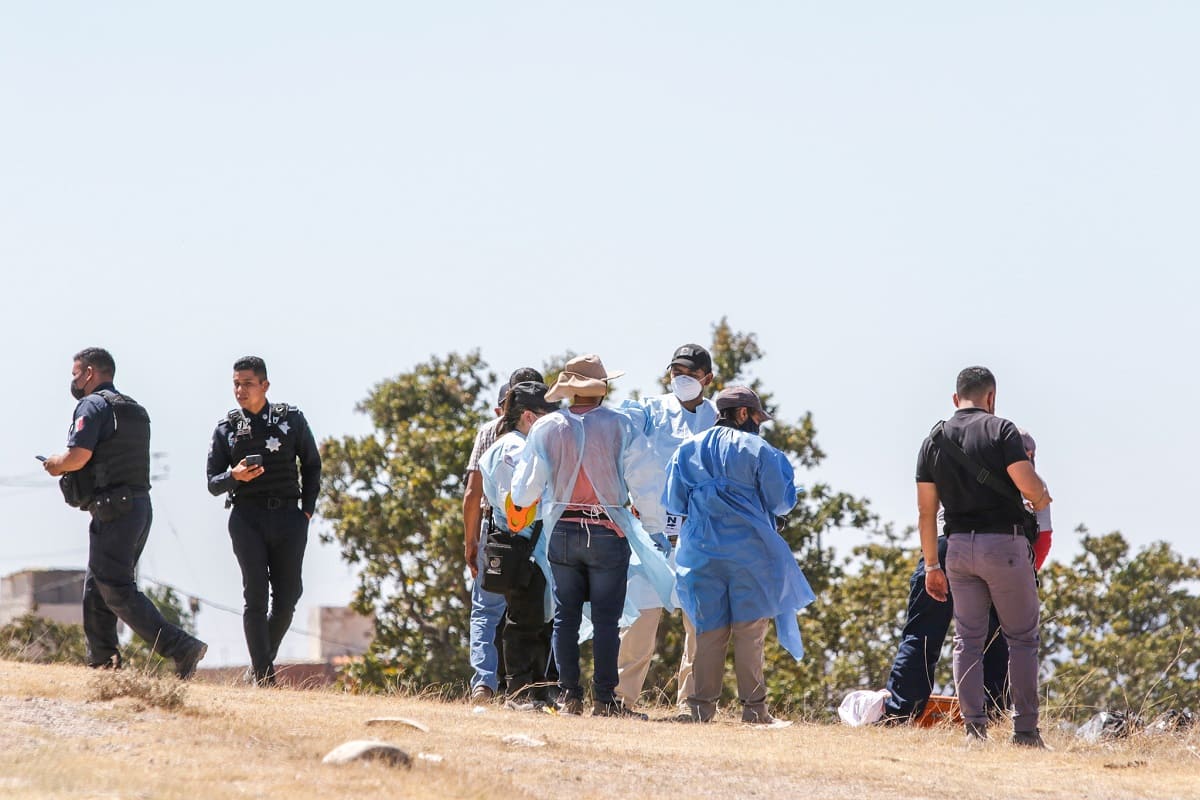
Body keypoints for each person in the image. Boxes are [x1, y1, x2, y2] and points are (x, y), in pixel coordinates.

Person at [509, 354, 674, 719]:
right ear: (602, 389)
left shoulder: (547, 428)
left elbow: (523, 493)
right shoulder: (621, 426)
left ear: (569, 390)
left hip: (563, 530)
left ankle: (569, 695)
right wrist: (652, 526)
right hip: (606, 531)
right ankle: (604, 698)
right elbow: (645, 481)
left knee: (566, 616)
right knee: (606, 619)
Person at [43, 347, 208, 678]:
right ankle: (104, 664)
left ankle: (180, 646)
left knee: (115, 586)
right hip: (137, 507)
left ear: (90, 372)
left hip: (113, 511)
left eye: (75, 374)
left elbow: (77, 456)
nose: (73, 381)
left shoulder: (92, 405)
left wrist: (54, 465)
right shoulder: (133, 409)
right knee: (97, 588)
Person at [916, 367, 1051, 747]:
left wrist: (931, 565)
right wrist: (1040, 497)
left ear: (955, 399)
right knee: (1022, 639)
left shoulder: (934, 439)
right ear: (992, 397)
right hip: (1003, 546)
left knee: (967, 640)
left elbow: (926, 512)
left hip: (957, 548)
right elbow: (1027, 482)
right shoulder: (1002, 430)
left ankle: (974, 731)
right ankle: (1025, 732)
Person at [665, 386, 815, 724]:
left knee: (708, 631)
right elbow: (781, 502)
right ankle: (754, 711)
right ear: (744, 414)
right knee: (749, 632)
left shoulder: (687, 449)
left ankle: (699, 708)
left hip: (700, 552)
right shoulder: (760, 449)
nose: (759, 424)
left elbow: (674, 502)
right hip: (751, 552)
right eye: (758, 417)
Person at [883, 428, 1052, 723]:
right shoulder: (1032, 486)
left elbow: (928, 514)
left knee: (924, 634)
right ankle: (993, 712)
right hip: (1004, 556)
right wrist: (1024, 576)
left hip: (947, 549)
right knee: (997, 640)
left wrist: (932, 565)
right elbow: (1044, 538)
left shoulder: (961, 468)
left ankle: (900, 712)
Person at [206, 356, 321, 686]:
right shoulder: (227, 428)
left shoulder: (291, 420)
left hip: (289, 516)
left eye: (247, 383)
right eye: (236, 384)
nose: (240, 390)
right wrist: (234, 476)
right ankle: (264, 676)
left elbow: (312, 464)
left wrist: (307, 511)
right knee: (254, 596)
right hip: (247, 518)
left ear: (265, 385)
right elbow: (213, 483)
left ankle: (259, 663)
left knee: (288, 597)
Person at [615, 343, 717, 711]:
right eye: (676, 372)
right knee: (639, 622)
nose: (682, 379)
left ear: (708, 378)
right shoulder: (649, 409)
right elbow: (621, 446)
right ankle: (621, 700)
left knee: (700, 627)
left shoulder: (718, 419)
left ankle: (692, 704)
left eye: (690, 373)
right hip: (650, 536)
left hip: (698, 536)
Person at [462, 368, 544, 703]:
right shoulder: (543, 433)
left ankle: (483, 682)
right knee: (532, 611)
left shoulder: (488, 433)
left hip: (491, 529)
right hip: (535, 533)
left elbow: (472, 491)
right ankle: (531, 685)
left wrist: (470, 542)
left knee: (485, 610)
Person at [478, 381, 561, 710]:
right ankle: (519, 692)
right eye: (547, 415)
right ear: (529, 416)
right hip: (524, 548)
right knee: (523, 622)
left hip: (533, 549)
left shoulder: (517, 444)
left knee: (538, 621)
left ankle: (537, 692)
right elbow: (517, 506)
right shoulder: (513, 449)